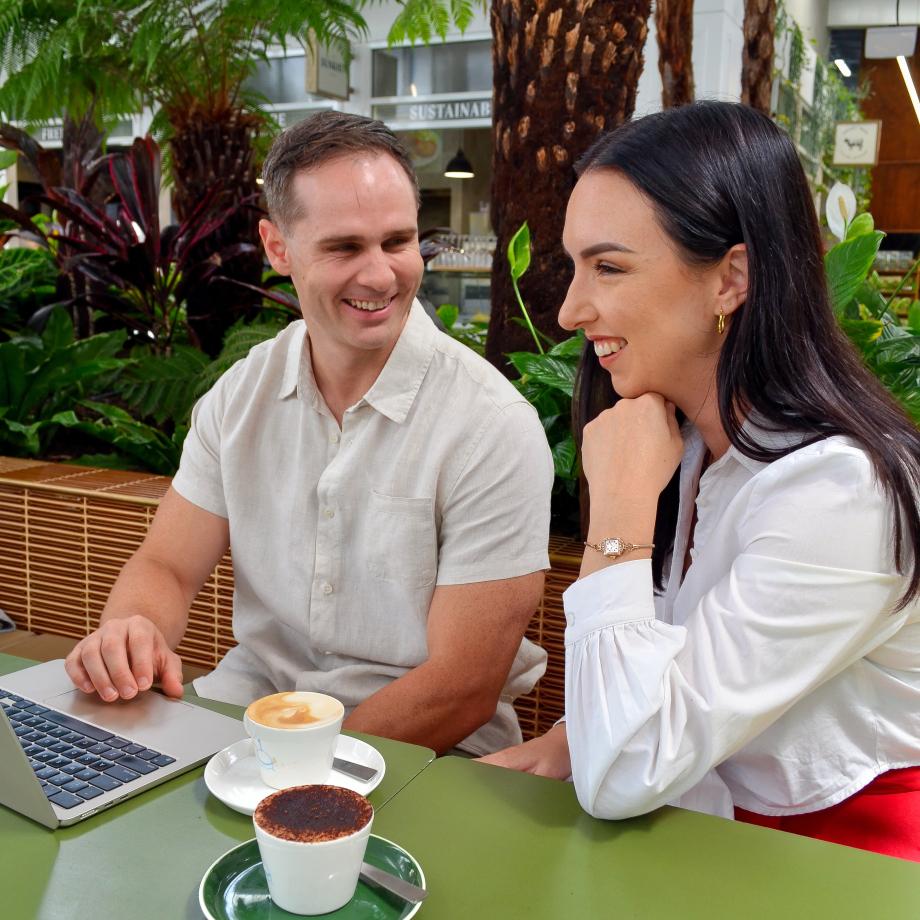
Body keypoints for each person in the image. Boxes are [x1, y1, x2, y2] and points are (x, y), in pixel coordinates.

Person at [480, 101, 920, 859]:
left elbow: (627, 768)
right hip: (704, 837)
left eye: (609, 267)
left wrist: (616, 515)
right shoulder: (690, 446)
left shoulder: (840, 494)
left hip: (844, 870)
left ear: (731, 279)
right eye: (575, 265)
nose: (568, 310)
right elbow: (659, 694)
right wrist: (566, 738)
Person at [64, 112, 554, 755]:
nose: (380, 275)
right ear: (277, 248)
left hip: (428, 752)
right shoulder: (239, 398)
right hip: (253, 717)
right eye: (344, 247)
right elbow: (166, 568)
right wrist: (131, 633)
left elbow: (462, 687)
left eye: (398, 241)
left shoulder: (491, 427)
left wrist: (295, 765)